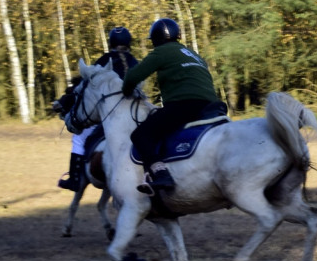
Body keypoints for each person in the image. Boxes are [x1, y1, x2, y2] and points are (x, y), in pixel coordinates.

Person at [121, 18, 219, 193]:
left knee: (141, 135)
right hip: (213, 105)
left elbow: (132, 77)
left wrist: (126, 91)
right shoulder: (193, 54)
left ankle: (161, 174)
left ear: (156, 39)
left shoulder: (162, 52)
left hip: (186, 105)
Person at [58, 26, 138, 192]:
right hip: (133, 113)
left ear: (111, 42)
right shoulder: (134, 62)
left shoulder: (104, 60)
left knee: (79, 139)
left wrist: (64, 100)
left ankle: (74, 180)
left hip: (109, 114)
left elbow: (85, 86)